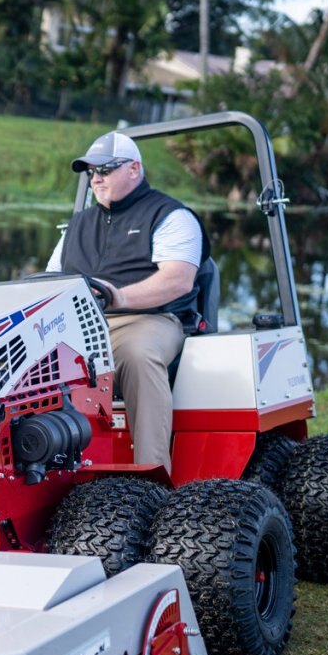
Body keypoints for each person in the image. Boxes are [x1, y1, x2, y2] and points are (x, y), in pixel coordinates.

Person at [45, 131, 211, 472]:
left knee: (138, 356)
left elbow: (178, 280)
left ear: (134, 169)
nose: (96, 178)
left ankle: (151, 477)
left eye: (105, 169)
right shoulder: (76, 226)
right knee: (24, 367)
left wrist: (117, 296)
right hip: (79, 327)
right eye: (91, 172)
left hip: (149, 320)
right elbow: (48, 283)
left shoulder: (170, 216)